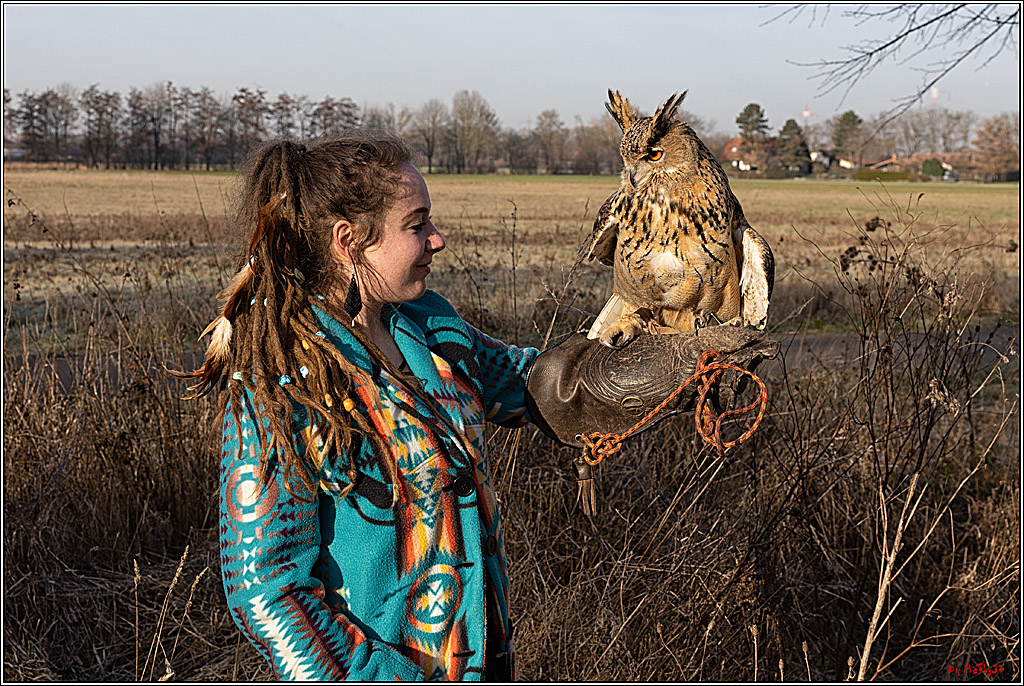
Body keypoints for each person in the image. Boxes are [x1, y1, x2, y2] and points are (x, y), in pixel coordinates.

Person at [181, 133, 777, 681]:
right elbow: (266, 590)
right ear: (348, 242)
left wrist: (675, 368)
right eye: (417, 225)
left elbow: (538, 386)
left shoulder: (430, 327)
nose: (437, 238)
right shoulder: (282, 384)